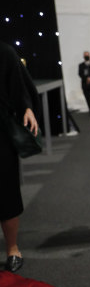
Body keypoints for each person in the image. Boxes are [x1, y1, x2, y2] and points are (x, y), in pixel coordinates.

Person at [0, 41, 39, 273]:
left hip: (1, 134)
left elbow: (20, 86)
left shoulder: (4, 52)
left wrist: (27, 108)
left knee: (6, 193)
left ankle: (12, 248)